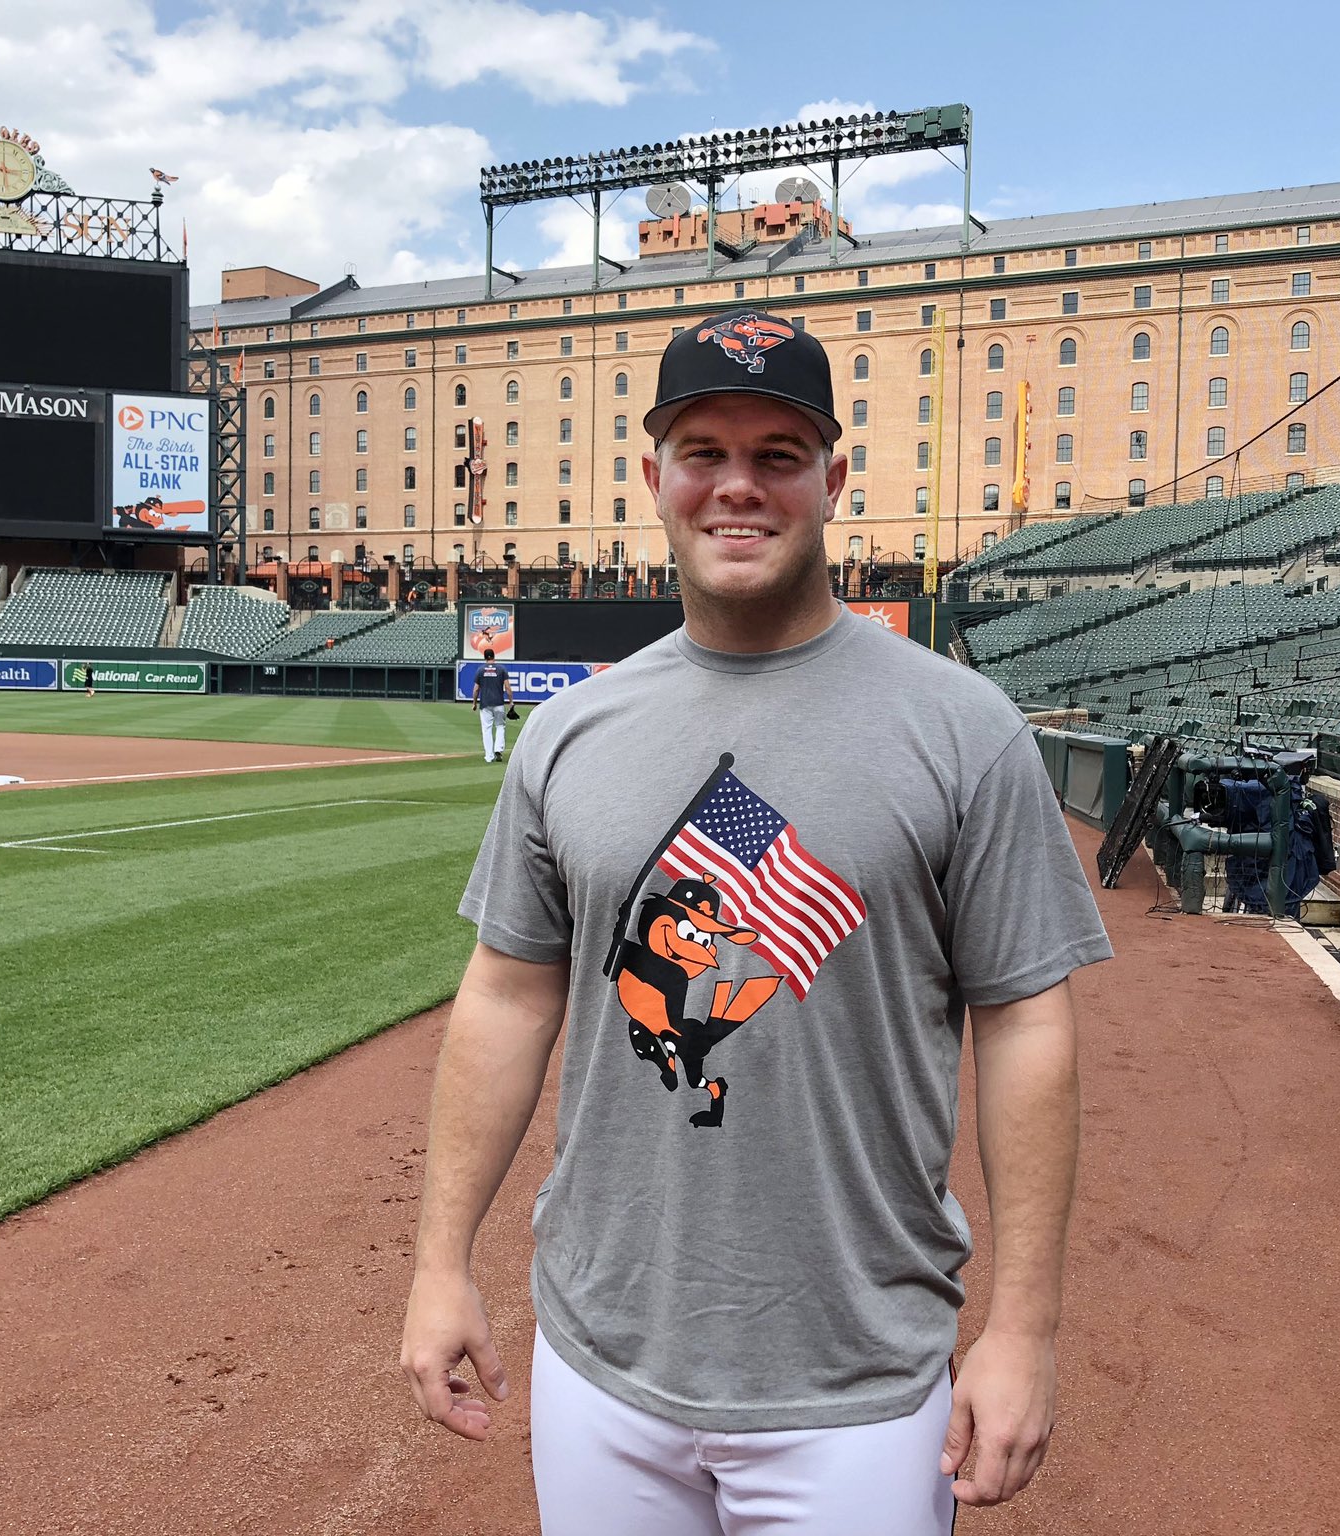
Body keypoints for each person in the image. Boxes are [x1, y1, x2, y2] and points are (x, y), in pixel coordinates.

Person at [401, 310, 1111, 1535]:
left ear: (833, 480)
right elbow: (507, 995)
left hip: (856, 1375)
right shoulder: (572, 731)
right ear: (654, 479)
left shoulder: (961, 726)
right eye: (704, 452)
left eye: (778, 454)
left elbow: (1024, 1025)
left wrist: (1022, 1327)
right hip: (600, 1354)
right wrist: (436, 1262)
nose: (738, 485)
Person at [470, 646, 512, 763]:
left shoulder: (480, 670)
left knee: (486, 729)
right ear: (494, 656)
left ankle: (489, 756)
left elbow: (476, 689)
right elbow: (508, 687)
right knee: (500, 726)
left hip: (485, 704)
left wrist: (474, 703)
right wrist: (511, 702)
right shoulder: (501, 669)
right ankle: (498, 749)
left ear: (485, 657)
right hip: (499, 703)